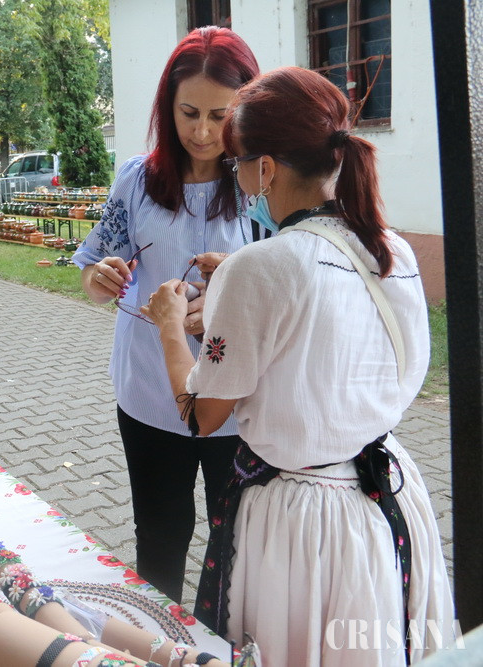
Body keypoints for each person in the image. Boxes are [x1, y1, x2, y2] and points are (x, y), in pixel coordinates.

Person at [144, 66, 454, 665]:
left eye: (238, 162)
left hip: (302, 526)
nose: (238, 177)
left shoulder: (261, 266)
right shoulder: (392, 248)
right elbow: (327, 333)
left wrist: (168, 324)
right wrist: (237, 288)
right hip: (386, 498)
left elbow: (200, 415)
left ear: (265, 168)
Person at [72, 26, 261, 604]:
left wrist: (231, 293)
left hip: (235, 402)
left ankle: (222, 640)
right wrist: (101, 276)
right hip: (151, 393)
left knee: (237, 542)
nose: (202, 132)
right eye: (188, 113)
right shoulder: (137, 180)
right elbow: (93, 276)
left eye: (219, 116)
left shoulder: (260, 183)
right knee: (159, 534)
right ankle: (160, 639)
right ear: (166, 106)